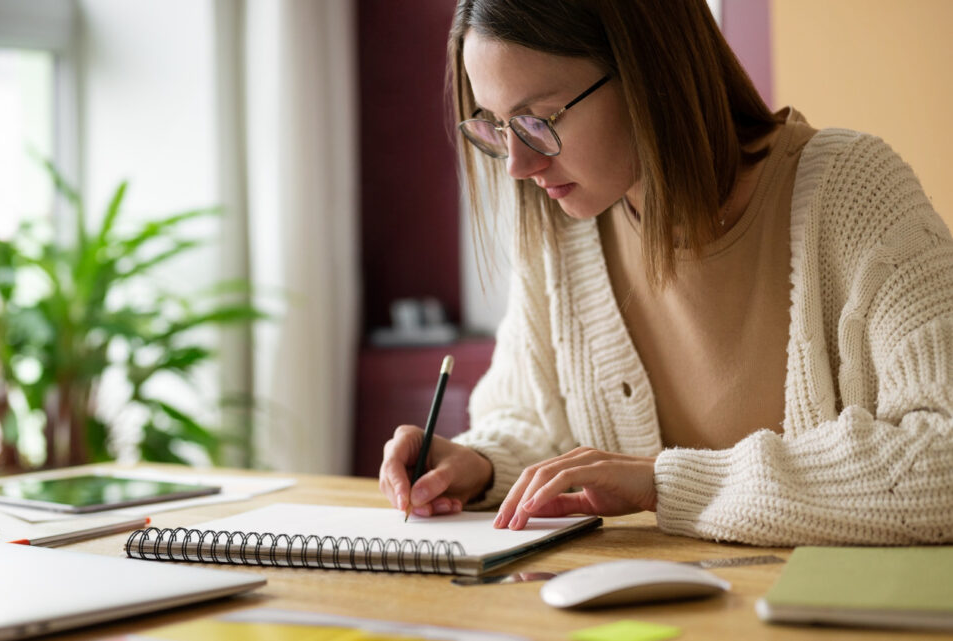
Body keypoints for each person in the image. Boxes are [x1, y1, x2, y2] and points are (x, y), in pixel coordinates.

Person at [378, 0, 953, 546]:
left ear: (650, 71)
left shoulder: (855, 193)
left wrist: (667, 481)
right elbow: (528, 418)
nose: (518, 166)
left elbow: (943, 459)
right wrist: (479, 465)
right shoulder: (565, 228)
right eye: (494, 127)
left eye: (535, 120)